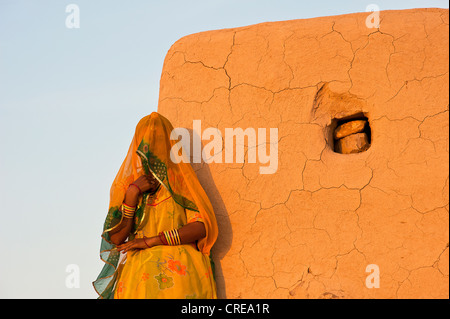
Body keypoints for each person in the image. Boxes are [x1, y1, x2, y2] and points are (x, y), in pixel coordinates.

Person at [93, 112, 218, 299]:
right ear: (137, 146)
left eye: (157, 141)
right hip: (138, 275)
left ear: (169, 145)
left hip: (180, 271)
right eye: (145, 143)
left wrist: (149, 241)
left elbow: (201, 227)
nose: (150, 149)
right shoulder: (129, 187)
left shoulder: (181, 184)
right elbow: (117, 239)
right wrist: (132, 194)